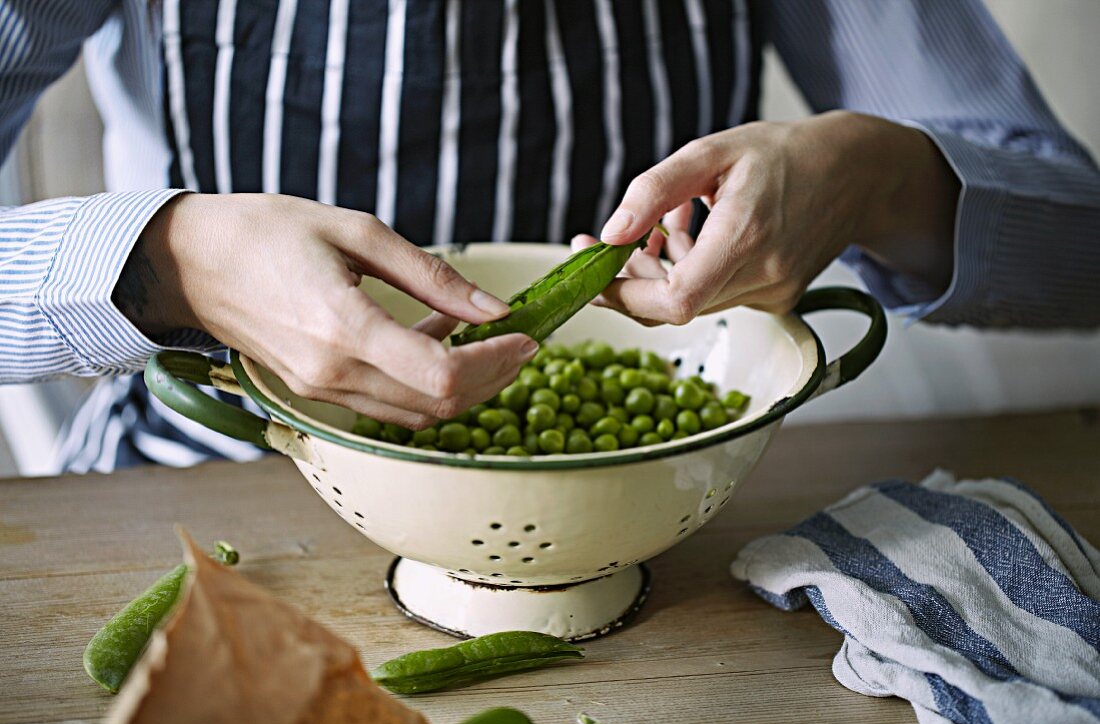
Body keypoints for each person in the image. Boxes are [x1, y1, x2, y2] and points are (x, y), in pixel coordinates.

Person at [1, 0, 1097, 472]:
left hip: (657, 491)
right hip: (209, 473)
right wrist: (161, 260)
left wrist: (869, 173)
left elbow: (1077, 234)